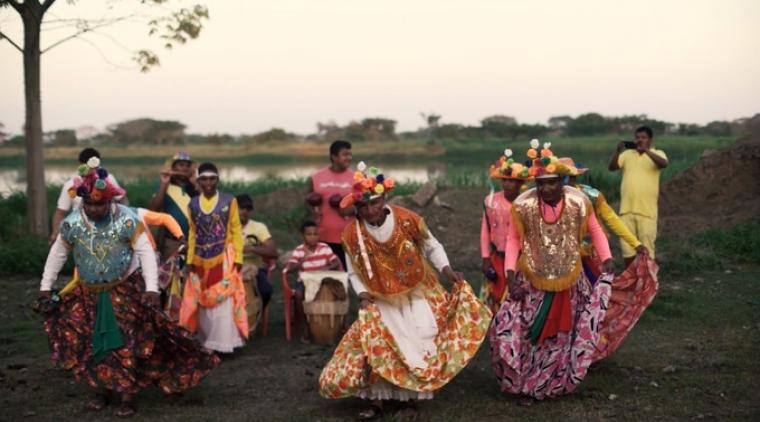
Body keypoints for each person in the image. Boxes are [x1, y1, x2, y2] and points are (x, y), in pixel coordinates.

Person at [37, 163, 218, 417]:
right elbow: (58, 253)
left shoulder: (127, 219)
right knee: (92, 341)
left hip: (123, 291)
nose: (93, 209)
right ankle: (101, 390)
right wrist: (46, 286)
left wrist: (152, 288)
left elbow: (145, 251)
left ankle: (126, 395)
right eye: (88, 204)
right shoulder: (72, 224)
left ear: (110, 201)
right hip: (88, 294)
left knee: (125, 342)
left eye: (99, 204)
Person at [319, 163, 491, 420]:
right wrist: (363, 296)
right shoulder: (351, 234)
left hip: (415, 291)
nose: (369, 210)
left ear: (384, 199)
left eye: (374, 203)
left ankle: (411, 398)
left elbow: (432, 246)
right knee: (377, 345)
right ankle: (377, 400)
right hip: (377, 296)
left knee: (416, 340)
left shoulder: (408, 219)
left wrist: (446, 270)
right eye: (363, 206)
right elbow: (353, 271)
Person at [490, 140, 615, 402]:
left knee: (560, 336)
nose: (546, 188)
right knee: (520, 330)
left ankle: (550, 385)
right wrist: (510, 274)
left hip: (570, 278)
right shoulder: (524, 205)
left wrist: (607, 257)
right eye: (541, 183)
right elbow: (514, 239)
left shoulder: (578, 202)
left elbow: (595, 230)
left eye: (552, 182)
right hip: (531, 277)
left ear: (562, 181)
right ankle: (524, 382)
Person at [179, 162, 248, 353]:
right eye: (204, 179)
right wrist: (190, 260)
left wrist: (239, 258)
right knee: (203, 296)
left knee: (223, 299)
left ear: (217, 180)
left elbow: (235, 230)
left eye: (212, 179)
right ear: (199, 181)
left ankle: (224, 343)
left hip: (223, 257)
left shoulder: (229, 201)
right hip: (200, 259)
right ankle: (208, 340)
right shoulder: (192, 204)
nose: (208, 182)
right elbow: (192, 233)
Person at [608, 126, 668, 265]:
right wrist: (617, 151)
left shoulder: (657, 153)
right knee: (628, 251)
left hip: (647, 212)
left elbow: (664, 164)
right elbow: (611, 167)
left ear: (650, 140)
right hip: (626, 211)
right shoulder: (627, 154)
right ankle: (632, 283)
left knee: (647, 251)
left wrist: (645, 151)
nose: (639, 140)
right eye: (637, 137)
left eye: (643, 138)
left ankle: (648, 284)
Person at [480, 148, 531, 314]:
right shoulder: (491, 201)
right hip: (498, 256)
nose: (507, 184)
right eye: (505, 180)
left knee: (520, 293)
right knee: (496, 293)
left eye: (512, 181)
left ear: (521, 183)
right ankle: (498, 326)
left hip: (522, 259)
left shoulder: (528, 203)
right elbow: (485, 230)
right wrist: (485, 258)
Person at [49, 148, 126, 245]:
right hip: (80, 231)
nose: (91, 171)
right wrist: (55, 233)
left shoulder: (108, 179)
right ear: (80, 164)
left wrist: (123, 223)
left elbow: (123, 201)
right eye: (87, 166)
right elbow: (60, 213)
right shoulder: (71, 185)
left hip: (106, 229)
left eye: (94, 167)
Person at [284, 220, 342, 342]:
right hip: (305, 280)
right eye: (309, 234)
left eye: (315, 234)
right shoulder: (300, 250)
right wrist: (302, 261)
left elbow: (336, 262)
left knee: (337, 291)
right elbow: (290, 268)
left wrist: (326, 268)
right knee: (299, 294)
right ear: (302, 236)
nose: (312, 237)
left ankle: (338, 324)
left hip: (322, 280)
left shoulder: (324, 248)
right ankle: (305, 325)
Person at [306, 140, 354, 269]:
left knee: (348, 276)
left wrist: (351, 209)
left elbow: (364, 205)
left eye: (350, 154)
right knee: (325, 276)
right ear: (334, 156)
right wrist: (312, 210)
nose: (349, 158)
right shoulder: (316, 177)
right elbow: (308, 201)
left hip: (349, 238)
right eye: (345, 154)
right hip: (323, 237)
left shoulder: (357, 178)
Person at [236, 193, 278, 333]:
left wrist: (252, 249)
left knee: (266, 290)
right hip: (231, 269)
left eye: (248, 209)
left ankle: (256, 313)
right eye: (241, 208)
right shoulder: (225, 227)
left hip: (255, 269)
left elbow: (273, 252)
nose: (244, 212)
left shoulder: (258, 227)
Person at [148, 151, 197, 249]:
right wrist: (164, 184)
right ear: (173, 168)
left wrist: (196, 185)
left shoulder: (194, 188)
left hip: (195, 242)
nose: (184, 168)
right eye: (181, 165)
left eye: (187, 166)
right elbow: (154, 209)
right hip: (173, 242)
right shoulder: (166, 187)